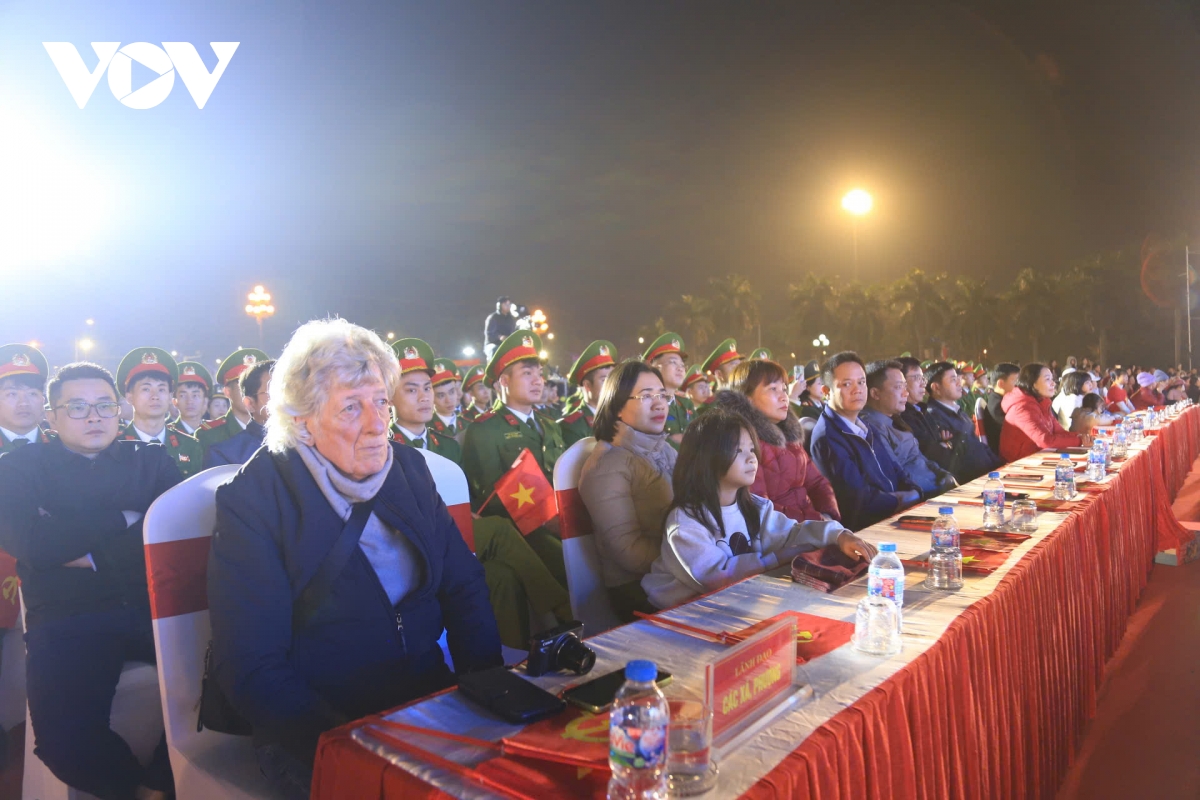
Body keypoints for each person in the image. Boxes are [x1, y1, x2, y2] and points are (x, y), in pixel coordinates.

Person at [208, 319, 503, 794]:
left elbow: (464, 584)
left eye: (381, 401)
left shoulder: (408, 469)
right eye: (351, 407)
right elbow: (250, 665)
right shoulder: (255, 498)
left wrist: (488, 688)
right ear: (301, 421)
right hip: (317, 726)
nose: (377, 424)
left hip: (424, 695)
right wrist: (348, 749)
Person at [0, 362, 180, 799]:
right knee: (63, 743)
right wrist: (126, 518)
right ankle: (134, 790)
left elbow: (174, 530)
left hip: (151, 606)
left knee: (229, 681)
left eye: (104, 405)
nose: (94, 417)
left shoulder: (150, 460)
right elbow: (33, 544)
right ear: (52, 415)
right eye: (77, 407)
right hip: (67, 617)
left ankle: (162, 782)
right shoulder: (19, 467)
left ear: (120, 410)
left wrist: (91, 553)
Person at [388, 338, 571, 648]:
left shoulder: (446, 446)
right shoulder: (386, 448)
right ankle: (563, 609)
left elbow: (466, 498)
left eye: (427, 388)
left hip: (458, 539)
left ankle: (510, 654)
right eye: (411, 389)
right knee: (499, 529)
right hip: (416, 547)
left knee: (501, 576)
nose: (424, 397)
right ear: (389, 396)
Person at [641, 410, 874, 609]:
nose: (752, 458)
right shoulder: (686, 522)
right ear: (706, 458)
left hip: (733, 602)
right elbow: (715, 578)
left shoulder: (754, 506)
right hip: (676, 613)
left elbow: (792, 533)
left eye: (751, 449)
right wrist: (777, 558)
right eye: (737, 450)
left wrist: (838, 535)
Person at [461, 330, 568, 586]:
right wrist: (549, 520)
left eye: (539, 374)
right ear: (503, 382)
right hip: (521, 531)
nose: (538, 381)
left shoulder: (550, 425)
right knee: (568, 563)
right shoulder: (485, 429)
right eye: (527, 373)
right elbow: (490, 496)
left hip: (561, 522)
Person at [578, 361, 676, 620]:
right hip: (639, 589)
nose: (659, 404)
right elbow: (627, 550)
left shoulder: (664, 449)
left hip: (675, 572)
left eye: (662, 395)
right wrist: (688, 556)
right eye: (646, 396)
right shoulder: (607, 464)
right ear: (618, 406)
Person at [711, 359, 841, 523]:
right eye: (773, 389)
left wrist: (828, 515)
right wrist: (817, 522)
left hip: (810, 528)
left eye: (784, 389)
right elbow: (759, 508)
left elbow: (817, 483)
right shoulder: (743, 445)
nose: (784, 397)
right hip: (782, 534)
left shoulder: (789, 436)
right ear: (747, 398)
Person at [809, 352, 922, 531]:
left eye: (861, 382)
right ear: (826, 392)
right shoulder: (828, 437)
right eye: (847, 384)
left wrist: (915, 490)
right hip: (869, 530)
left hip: (896, 516)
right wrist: (902, 499)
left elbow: (896, 469)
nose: (858, 390)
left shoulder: (866, 427)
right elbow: (858, 499)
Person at [861, 360, 956, 498]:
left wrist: (945, 475)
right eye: (898, 387)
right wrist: (939, 486)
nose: (905, 393)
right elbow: (897, 475)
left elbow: (920, 458)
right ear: (875, 393)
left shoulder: (896, 420)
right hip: (924, 496)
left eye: (905, 386)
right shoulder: (871, 428)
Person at [116, 348, 204, 478]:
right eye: (146, 389)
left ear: (170, 396)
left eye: (161, 389)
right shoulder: (116, 446)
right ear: (129, 397)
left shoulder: (190, 446)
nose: (155, 396)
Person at [921, 361, 1002, 483]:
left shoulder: (957, 411)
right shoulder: (934, 418)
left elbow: (978, 446)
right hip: (974, 482)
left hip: (989, 475)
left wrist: (1000, 466)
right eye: (953, 380)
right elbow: (958, 462)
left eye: (958, 378)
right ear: (936, 387)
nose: (959, 383)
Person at [998, 363, 1088, 462]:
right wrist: (1080, 441)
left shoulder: (1042, 403)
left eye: (1052, 379)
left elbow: (1059, 432)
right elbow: (1045, 441)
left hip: (1038, 457)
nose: (1053, 383)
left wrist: (1082, 437)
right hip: (1018, 463)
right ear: (1033, 383)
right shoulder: (1021, 407)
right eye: (1047, 379)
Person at [197, 348, 270, 457]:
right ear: (227, 392)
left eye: (257, 385)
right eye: (244, 386)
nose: (251, 392)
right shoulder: (209, 436)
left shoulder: (282, 430)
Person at [560, 340, 618, 448]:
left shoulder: (621, 417)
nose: (612, 385)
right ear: (587, 385)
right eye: (604, 380)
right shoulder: (574, 426)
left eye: (613, 379)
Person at [642, 332, 694, 446]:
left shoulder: (686, 404)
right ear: (655, 368)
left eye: (682, 365)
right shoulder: (646, 404)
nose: (680, 369)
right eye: (673, 362)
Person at [0, 343, 53, 452]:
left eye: (32, 394)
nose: (24, 403)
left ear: (43, 401)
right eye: (12, 394)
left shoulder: (64, 446)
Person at [895, 355, 947, 464]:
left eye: (923, 378)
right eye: (917, 378)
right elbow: (929, 452)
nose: (923, 384)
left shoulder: (922, 410)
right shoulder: (901, 417)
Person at [978, 363, 1020, 456]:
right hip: (1005, 455)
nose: (1018, 385)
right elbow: (1015, 431)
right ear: (1001, 383)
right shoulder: (997, 406)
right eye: (1015, 381)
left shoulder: (1000, 400)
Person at [171, 362, 214, 436]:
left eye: (195, 395)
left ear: (205, 401)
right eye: (182, 396)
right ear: (175, 402)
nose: (189, 401)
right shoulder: (166, 434)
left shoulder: (216, 433)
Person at [428, 358, 466, 439]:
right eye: (441, 395)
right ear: (431, 398)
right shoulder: (426, 428)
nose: (448, 400)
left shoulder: (468, 424)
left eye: (451, 392)